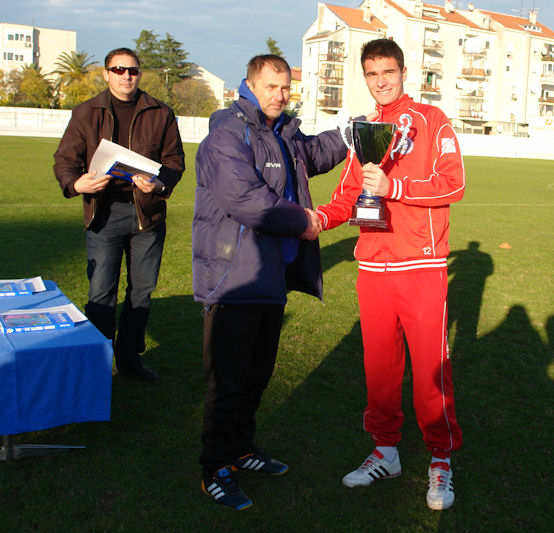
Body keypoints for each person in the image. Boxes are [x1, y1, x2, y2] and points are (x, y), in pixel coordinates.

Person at [314, 38, 465, 511]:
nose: (381, 82)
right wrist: (318, 219)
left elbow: (454, 183)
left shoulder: (431, 120)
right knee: (379, 369)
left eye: (388, 72)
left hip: (421, 265)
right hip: (372, 267)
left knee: (430, 370)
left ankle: (440, 459)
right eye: (372, 74)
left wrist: (394, 186)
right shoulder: (363, 130)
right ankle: (385, 452)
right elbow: (348, 195)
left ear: (403, 72)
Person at [192, 54, 347, 510]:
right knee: (227, 382)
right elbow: (245, 198)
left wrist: (351, 134)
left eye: (285, 87)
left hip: (270, 275)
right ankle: (215, 468)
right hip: (233, 280)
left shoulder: (283, 134)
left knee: (257, 374)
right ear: (249, 85)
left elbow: (314, 154)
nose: (280, 95)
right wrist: (303, 221)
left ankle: (241, 449)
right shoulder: (226, 135)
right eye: (271, 86)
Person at [54, 47, 185, 381]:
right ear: (106, 73)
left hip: (147, 214)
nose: (127, 76)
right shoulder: (86, 112)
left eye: (133, 70)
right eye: (119, 70)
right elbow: (65, 159)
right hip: (104, 213)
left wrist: (158, 184)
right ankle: (97, 362)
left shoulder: (160, 112)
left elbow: (174, 162)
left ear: (139, 73)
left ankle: (129, 358)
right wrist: (76, 183)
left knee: (141, 291)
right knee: (101, 292)